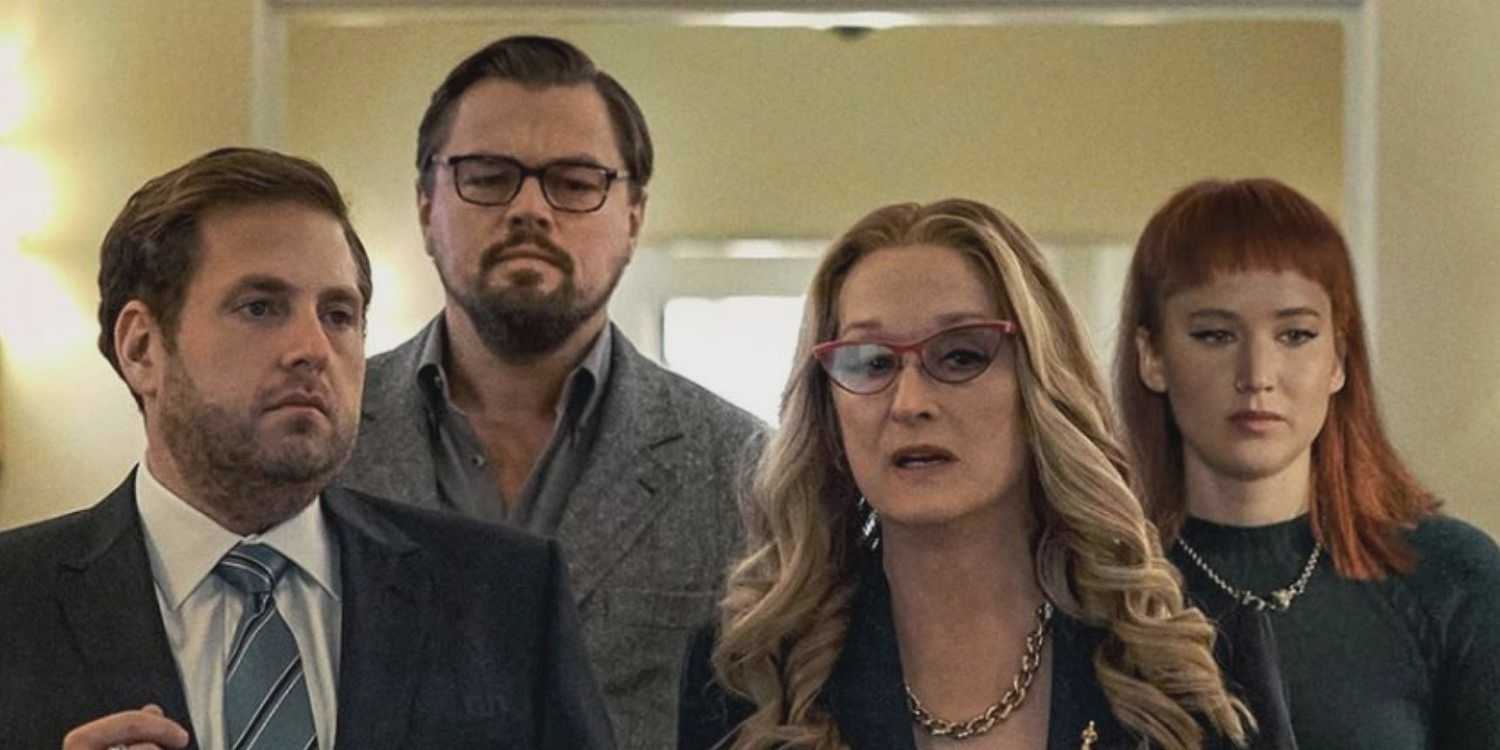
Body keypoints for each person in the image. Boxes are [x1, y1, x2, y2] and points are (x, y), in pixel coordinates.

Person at [0, 147, 614, 749]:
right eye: (260, 308)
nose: (313, 349)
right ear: (142, 348)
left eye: (338, 315)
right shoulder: (15, 601)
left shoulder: (505, 595)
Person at [680, 199, 1250, 750]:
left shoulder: (1193, 649)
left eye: (960, 356)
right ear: (828, 408)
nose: (909, 403)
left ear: (1039, 384)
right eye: (871, 362)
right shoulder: (753, 672)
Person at [334, 35, 763, 748]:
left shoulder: (742, 467)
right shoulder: (324, 439)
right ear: (426, 205)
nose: (530, 209)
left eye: (575, 182)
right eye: (487, 176)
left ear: (633, 216)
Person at [1115, 177, 1500, 749]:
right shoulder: (1094, 583)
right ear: (1153, 357)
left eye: (1295, 335)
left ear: (1338, 359)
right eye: (1215, 335)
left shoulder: (1452, 579)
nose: (1257, 375)